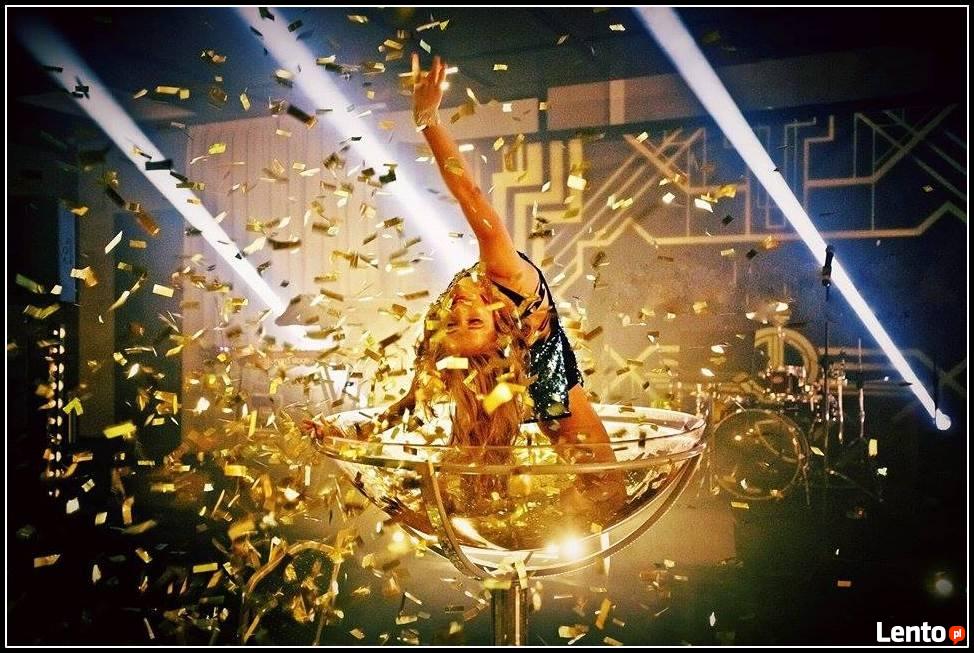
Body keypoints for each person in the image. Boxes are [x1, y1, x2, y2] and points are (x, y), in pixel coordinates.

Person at [307, 56, 622, 507]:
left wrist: (340, 432)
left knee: (487, 501)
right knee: (596, 491)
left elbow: (404, 408)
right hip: (558, 408)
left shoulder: (473, 317)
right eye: (473, 322)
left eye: (453, 323)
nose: (460, 309)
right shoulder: (508, 280)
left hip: (529, 396)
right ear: (501, 329)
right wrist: (428, 121)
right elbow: (470, 194)